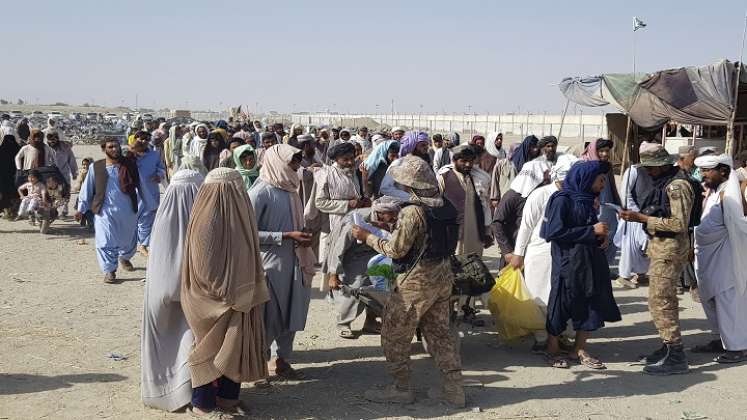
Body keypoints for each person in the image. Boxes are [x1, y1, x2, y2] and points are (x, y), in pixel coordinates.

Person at [352, 154, 464, 407]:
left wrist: (366, 235)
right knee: (440, 335)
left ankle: (402, 388)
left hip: (416, 282)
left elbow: (396, 251)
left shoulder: (412, 211)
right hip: (443, 275)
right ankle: (454, 390)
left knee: (394, 335)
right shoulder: (446, 205)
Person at [181, 167, 269, 417]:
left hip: (238, 297)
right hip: (211, 300)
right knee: (209, 350)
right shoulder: (206, 218)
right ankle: (203, 405)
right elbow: (203, 266)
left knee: (235, 347)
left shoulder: (241, 215)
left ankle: (228, 399)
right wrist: (229, 294)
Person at [620, 142, 695, 375]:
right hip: (661, 248)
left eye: (651, 168)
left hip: (670, 250)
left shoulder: (677, 186)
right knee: (658, 300)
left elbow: (679, 224)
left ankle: (676, 354)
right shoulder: (664, 183)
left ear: (662, 166)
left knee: (662, 301)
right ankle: (667, 347)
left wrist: (642, 218)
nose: (648, 173)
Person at [540, 160, 622, 370]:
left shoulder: (588, 200)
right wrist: (591, 232)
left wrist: (600, 238)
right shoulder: (562, 200)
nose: (603, 184)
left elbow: (590, 228)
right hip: (568, 262)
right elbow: (553, 233)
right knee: (561, 302)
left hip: (590, 261)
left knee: (590, 302)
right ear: (585, 178)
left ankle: (579, 349)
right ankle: (552, 349)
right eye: (600, 179)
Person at [249, 145, 315, 381]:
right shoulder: (260, 193)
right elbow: (247, 234)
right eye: (292, 163)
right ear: (278, 163)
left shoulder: (290, 189)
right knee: (269, 317)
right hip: (271, 266)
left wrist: (302, 234)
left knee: (293, 312)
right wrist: (285, 236)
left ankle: (282, 360)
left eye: (297, 162)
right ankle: (258, 366)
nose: (296, 167)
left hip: (295, 261)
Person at [141, 169, 204, 412]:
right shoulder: (187, 217)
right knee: (186, 342)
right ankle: (178, 393)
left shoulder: (163, 216)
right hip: (183, 294)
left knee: (176, 345)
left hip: (168, 293)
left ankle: (178, 393)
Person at [511, 155, 578, 351]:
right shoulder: (539, 195)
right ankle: (542, 337)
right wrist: (518, 254)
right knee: (539, 296)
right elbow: (526, 226)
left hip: (565, 254)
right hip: (539, 253)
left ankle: (561, 335)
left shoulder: (575, 196)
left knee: (562, 297)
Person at [692, 154, 747, 363]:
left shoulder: (728, 196)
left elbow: (739, 227)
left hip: (725, 258)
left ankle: (737, 347)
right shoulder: (714, 193)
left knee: (728, 300)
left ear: (723, 171)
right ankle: (720, 339)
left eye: (708, 170)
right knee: (710, 299)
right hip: (706, 257)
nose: (703, 175)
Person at [325, 198, 399, 338]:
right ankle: (343, 323)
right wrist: (333, 274)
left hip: (376, 254)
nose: (394, 216)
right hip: (352, 256)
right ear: (381, 213)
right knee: (355, 287)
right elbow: (339, 248)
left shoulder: (390, 222)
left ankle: (371, 321)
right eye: (391, 213)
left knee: (379, 287)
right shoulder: (356, 220)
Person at [76, 138, 140, 284]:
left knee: (128, 240)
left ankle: (124, 257)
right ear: (104, 149)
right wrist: (81, 209)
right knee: (104, 240)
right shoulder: (96, 167)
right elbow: (87, 190)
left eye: (116, 146)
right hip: (104, 211)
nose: (115, 149)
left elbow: (141, 186)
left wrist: (150, 205)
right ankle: (109, 270)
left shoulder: (129, 165)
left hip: (127, 210)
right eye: (111, 147)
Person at [437, 144, 493, 256]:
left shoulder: (480, 179)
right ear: (455, 160)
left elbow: (485, 206)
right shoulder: (443, 177)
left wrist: (487, 232)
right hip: (452, 233)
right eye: (464, 161)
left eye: (471, 161)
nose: (468, 164)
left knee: (473, 266)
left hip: (474, 233)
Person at [495, 160, 551, 267]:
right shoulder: (512, 196)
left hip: (534, 250)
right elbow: (497, 223)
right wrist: (507, 251)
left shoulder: (541, 195)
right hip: (514, 251)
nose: (546, 180)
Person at [613, 155, 653, 289]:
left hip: (647, 214)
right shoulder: (633, 170)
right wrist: (633, 212)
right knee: (629, 246)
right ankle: (623, 276)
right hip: (632, 214)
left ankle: (641, 274)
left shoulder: (655, 170)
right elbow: (625, 193)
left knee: (644, 245)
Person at [582, 138, 621, 268]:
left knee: (612, 234)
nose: (605, 154)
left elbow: (613, 187)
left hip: (608, 205)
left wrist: (619, 207)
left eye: (607, 151)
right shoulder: (584, 165)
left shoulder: (607, 166)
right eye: (601, 151)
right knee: (595, 237)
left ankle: (605, 266)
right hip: (592, 207)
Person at [131, 140, 166, 257]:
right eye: (139, 139)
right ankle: (131, 247)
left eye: (145, 139)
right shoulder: (128, 156)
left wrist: (159, 175)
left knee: (147, 219)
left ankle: (143, 245)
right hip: (133, 193)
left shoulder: (154, 155)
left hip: (150, 192)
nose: (143, 141)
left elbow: (161, 168)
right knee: (132, 220)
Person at [379, 131, 431, 201]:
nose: (426, 148)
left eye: (426, 145)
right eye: (422, 145)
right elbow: (385, 188)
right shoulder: (399, 163)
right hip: (402, 206)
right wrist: (409, 197)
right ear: (412, 147)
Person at [45, 131, 77, 216]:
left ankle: (65, 208)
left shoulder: (65, 148)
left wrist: (74, 173)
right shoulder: (45, 148)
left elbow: (72, 160)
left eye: (54, 139)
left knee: (65, 191)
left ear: (57, 139)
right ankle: (53, 210)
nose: (52, 142)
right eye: (50, 140)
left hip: (64, 173)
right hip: (51, 175)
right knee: (52, 193)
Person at [489, 142, 521, 207]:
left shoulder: (524, 165)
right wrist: (495, 198)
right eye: (516, 151)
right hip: (503, 199)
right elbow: (495, 180)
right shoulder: (501, 164)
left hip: (519, 200)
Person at [0, 132, 21, 218]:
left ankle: (7, 211)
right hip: (15, 176)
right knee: (13, 193)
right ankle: (12, 211)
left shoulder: (1, 149)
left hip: (3, 177)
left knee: (5, 194)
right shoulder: (18, 149)